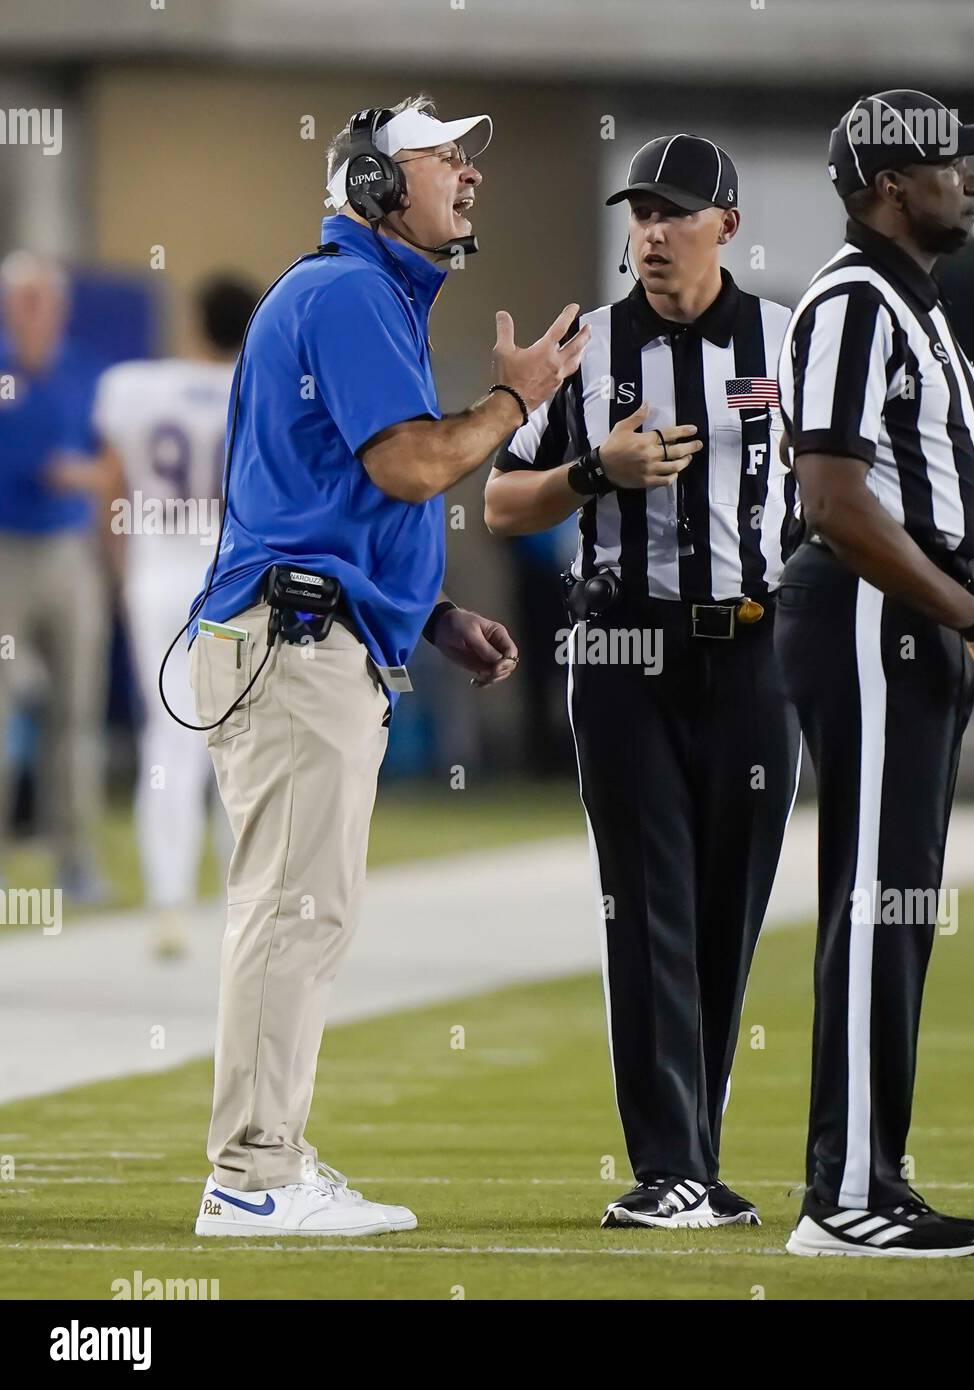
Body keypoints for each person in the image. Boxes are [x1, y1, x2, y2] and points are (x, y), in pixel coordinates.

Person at [187, 95, 589, 1239]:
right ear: (373, 186)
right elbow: (412, 466)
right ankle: (251, 1175)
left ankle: (270, 1156)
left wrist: (429, 612)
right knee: (292, 911)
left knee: (305, 910)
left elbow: (331, 500)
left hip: (313, 628)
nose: (468, 175)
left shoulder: (358, 293)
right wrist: (517, 398)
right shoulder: (355, 292)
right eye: (442, 158)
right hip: (292, 643)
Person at [485, 134, 802, 1229]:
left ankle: (692, 1161)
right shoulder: (588, 342)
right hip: (623, 650)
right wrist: (594, 471)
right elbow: (498, 501)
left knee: (727, 915)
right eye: (639, 213)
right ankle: (667, 1166)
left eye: (675, 213)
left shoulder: (786, 339)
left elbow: (839, 487)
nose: (652, 233)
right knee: (649, 907)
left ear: (727, 224)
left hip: (755, 652)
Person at [775, 91, 974, 1259]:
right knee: (877, 898)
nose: (970, 181)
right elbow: (832, 504)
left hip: (905, 611)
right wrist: (970, 614)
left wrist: (962, 611)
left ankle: (868, 1167)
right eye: (948, 163)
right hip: (871, 612)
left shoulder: (907, 307)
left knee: (897, 901)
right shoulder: (852, 301)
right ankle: (843, 1198)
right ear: (889, 185)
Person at [94, 275, 258, 957]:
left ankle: (167, 905)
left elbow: (110, 490)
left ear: (194, 321)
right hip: (228, 583)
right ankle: (238, 902)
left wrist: (122, 576)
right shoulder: (260, 391)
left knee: (168, 741)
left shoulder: (136, 387)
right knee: (238, 738)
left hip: (157, 579)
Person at [0, 251, 111, 903]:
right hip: (6, 548)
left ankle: (75, 860)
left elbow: (110, 465)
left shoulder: (85, 374)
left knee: (76, 710)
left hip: (68, 550)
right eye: (24, 298)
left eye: (44, 298)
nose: (35, 309)